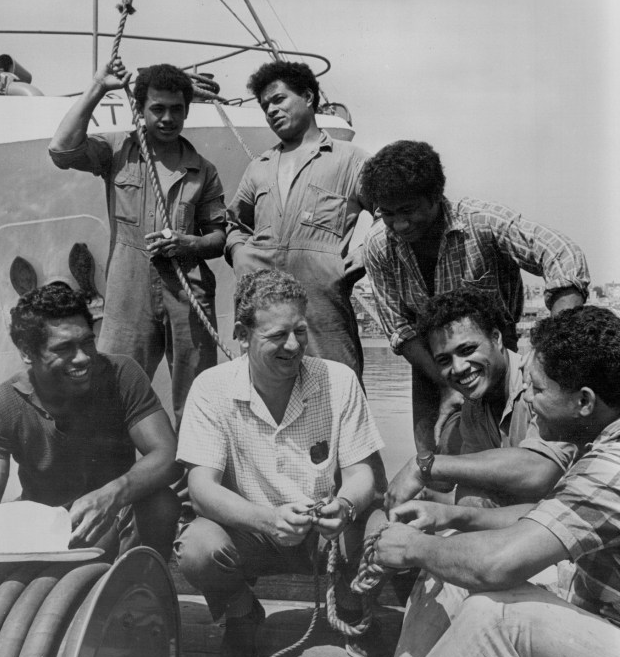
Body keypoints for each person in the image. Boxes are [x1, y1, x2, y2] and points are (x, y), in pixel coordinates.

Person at [301, 305, 620, 657]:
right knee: (453, 557)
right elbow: (554, 513)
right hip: (601, 625)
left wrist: (414, 547)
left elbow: (498, 565)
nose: (530, 404)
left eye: (537, 390)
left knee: (497, 614)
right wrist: (452, 519)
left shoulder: (614, 463)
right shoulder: (603, 436)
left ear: (583, 400)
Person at [175, 269, 385, 657]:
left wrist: (343, 505)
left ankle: (351, 604)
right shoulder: (210, 388)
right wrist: (269, 520)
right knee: (197, 548)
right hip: (252, 531)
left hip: (325, 534)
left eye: (300, 331)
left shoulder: (338, 380)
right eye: (277, 336)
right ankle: (242, 615)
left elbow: (363, 475)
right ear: (241, 333)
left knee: (376, 527)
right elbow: (201, 489)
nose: (293, 346)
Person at [361, 140, 590, 453]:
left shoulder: (481, 221)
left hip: (495, 358)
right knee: (434, 463)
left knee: (519, 453)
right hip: (431, 364)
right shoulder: (377, 245)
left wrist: (555, 348)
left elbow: (561, 254)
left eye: (408, 210)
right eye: (387, 213)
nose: (399, 224)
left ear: (435, 197)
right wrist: (446, 383)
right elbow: (399, 330)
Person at [48, 59, 226, 427]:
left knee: (197, 402)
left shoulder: (203, 170)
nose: (167, 118)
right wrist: (98, 86)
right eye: (157, 109)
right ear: (140, 109)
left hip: (187, 294)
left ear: (187, 111)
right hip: (128, 292)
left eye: (177, 109)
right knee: (112, 390)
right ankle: (119, 478)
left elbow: (218, 238)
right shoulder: (116, 151)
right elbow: (61, 151)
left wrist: (187, 243)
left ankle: (191, 480)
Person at [0, 283, 182, 561]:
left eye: (87, 342)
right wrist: (15, 529)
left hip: (113, 515)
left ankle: (145, 592)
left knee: (161, 504)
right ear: (27, 353)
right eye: (64, 348)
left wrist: (111, 495)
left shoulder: (122, 374)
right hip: (44, 530)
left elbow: (168, 455)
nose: (82, 358)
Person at [225, 61, 372, 382]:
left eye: (278, 99)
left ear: (308, 96)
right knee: (264, 396)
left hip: (323, 308)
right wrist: (239, 254)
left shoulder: (349, 159)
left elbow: (391, 212)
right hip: (263, 308)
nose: (271, 111)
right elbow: (235, 224)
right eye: (265, 106)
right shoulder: (258, 167)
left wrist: (367, 251)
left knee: (339, 389)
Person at [386, 287, 577, 510]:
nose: (458, 368)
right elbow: (474, 489)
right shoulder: (472, 406)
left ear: (496, 339)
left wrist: (424, 466)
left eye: (467, 350)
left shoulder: (540, 386)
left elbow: (539, 472)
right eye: (444, 360)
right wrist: (427, 498)